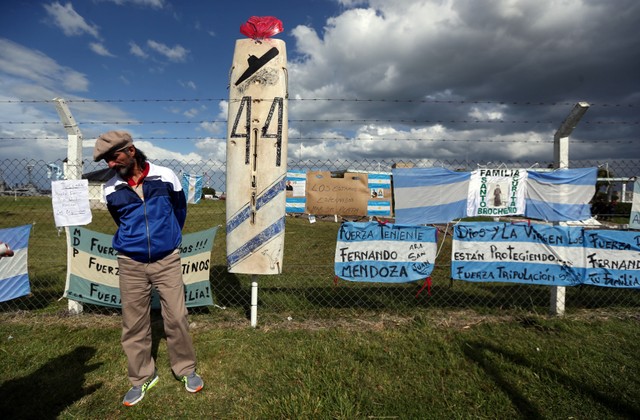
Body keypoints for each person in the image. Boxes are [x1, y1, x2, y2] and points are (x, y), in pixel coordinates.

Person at [93, 130, 203, 407]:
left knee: (176, 316)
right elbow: (121, 220)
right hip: (130, 263)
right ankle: (141, 377)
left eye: (113, 156)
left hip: (167, 260)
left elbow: (179, 212)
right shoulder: (110, 188)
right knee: (134, 323)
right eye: (105, 159)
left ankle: (186, 369)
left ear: (130, 151)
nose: (109, 164)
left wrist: (167, 240)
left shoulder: (166, 176)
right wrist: (138, 243)